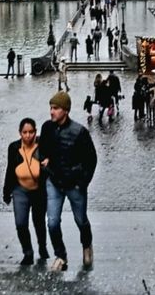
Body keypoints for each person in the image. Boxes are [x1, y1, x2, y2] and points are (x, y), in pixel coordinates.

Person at [39, 91, 98, 271]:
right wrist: (44, 162)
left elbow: (91, 160)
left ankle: (86, 246)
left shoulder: (80, 132)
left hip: (74, 184)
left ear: (65, 110)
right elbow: (41, 150)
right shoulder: (47, 128)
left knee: (81, 220)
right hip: (55, 182)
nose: (51, 112)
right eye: (51, 108)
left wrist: (82, 183)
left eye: (55, 108)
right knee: (52, 222)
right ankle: (60, 255)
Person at [2, 117, 49, 265]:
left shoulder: (43, 145)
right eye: (24, 132)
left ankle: (42, 247)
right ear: (20, 133)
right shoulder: (14, 148)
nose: (28, 136)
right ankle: (27, 252)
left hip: (39, 190)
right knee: (21, 223)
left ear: (35, 132)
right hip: (19, 189)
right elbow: (10, 169)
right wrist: (6, 191)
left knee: (39, 221)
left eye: (31, 132)